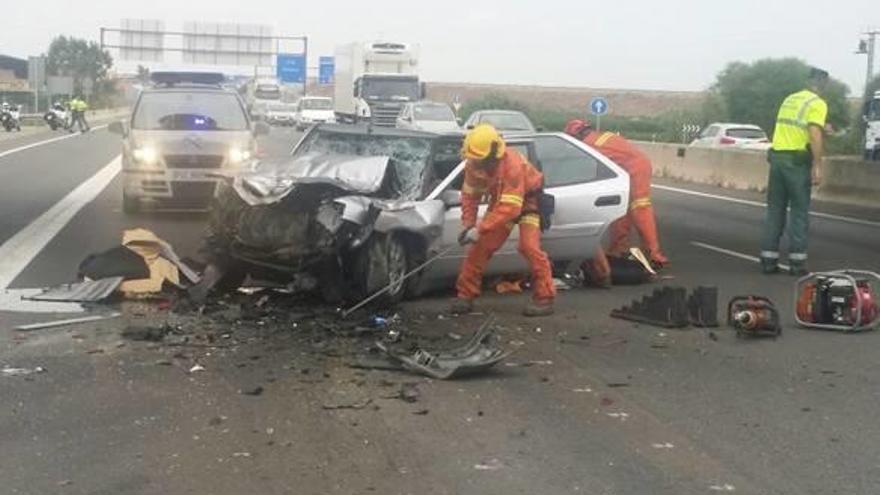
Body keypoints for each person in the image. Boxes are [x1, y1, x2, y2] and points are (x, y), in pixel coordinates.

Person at [451, 124, 556, 317]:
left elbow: (511, 209)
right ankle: (465, 295)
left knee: (528, 247)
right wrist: (469, 225)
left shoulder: (512, 165)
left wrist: (480, 228)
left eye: (478, 158)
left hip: (528, 204)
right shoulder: (474, 164)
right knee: (480, 246)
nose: (475, 162)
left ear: (492, 154)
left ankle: (544, 297)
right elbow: (470, 197)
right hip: (502, 203)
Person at [564, 119, 669, 285]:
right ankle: (618, 249)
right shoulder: (599, 137)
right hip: (627, 167)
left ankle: (654, 254)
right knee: (620, 210)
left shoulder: (588, 146)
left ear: (575, 136)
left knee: (640, 209)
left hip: (635, 168)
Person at [760, 67, 829, 276]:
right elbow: (814, 133)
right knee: (799, 213)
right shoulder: (817, 103)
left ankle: (768, 262)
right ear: (823, 84)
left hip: (777, 159)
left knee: (775, 212)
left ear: (808, 81)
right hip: (796, 162)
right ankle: (797, 264)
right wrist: (817, 165)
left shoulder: (790, 99)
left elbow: (791, 127)